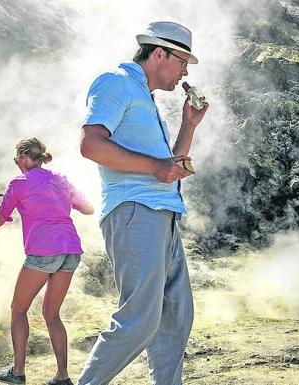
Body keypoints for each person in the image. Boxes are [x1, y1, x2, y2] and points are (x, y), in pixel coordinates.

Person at [76, 21, 209, 384]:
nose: (185, 72)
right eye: (183, 62)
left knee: (176, 316)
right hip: (135, 212)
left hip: (163, 216)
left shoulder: (149, 103)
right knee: (140, 320)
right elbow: (91, 145)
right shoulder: (115, 82)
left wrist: (189, 125)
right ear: (159, 53)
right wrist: (156, 166)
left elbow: (170, 167)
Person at [0, 137, 94, 385]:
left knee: (19, 309)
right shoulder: (61, 179)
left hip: (44, 252)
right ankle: (62, 377)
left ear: (23, 158)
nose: (16, 164)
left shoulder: (18, 183)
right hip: (70, 250)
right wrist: (62, 198)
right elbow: (88, 208)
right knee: (52, 314)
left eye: (16, 160)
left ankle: (18, 372)